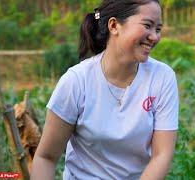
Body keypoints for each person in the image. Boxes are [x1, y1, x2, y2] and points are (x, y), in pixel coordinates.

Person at [31, 0, 179, 179]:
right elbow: (46, 157)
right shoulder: (77, 82)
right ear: (114, 25)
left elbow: (162, 155)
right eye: (147, 25)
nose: (155, 37)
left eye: (158, 29)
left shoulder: (162, 78)